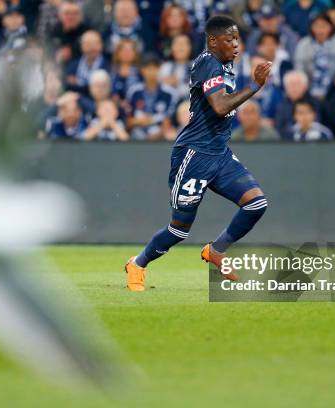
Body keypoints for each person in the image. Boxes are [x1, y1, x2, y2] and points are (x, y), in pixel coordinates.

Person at [124, 15, 272, 291]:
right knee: (179, 230)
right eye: (230, 39)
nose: (236, 44)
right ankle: (138, 264)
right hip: (194, 155)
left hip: (219, 153)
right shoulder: (208, 63)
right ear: (214, 41)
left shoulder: (226, 65)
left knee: (256, 204)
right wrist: (254, 87)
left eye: (237, 38)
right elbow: (219, 106)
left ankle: (216, 250)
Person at [294, 13, 335, 99]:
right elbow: (299, 69)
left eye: (324, 26)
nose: (320, 30)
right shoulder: (303, 45)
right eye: (316, 26)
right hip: (308, 91)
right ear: (311, 27)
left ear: (331, 27)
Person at [125, 53, 177, 140]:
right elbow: (127, 121)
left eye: (154, 68)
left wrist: (152, 122)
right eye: (147, 68)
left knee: (170, 134)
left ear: (159, 69)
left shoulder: (170, 93)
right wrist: (138, 121)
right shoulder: (134, 92)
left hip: (161, 136)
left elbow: (169, 121)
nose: (151, 71)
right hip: (137, 134)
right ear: (142, 70)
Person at [274, 70, 320, 134]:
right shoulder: (281, 106)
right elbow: (279, 129)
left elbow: (317, 125)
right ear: (285, 88)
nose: (294, 88)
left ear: (305, 87)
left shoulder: (315, 104)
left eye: (297, 84)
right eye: (290, 85)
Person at [64, 30, 109, 95]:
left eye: (94, 44)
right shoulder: (72, 65)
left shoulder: (110, 66)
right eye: (88, 44)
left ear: (101, 45)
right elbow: (68, 86)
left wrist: (79, 83)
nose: (91, 48)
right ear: (81, 46)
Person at [159, 34, 192, 100]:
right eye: (177, 44)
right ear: (171, 48)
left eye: (183, 44)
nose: (180, 47)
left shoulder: (197, 67)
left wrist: (176, 84)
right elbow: (159, 89)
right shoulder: (165, 67)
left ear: (190, 48)